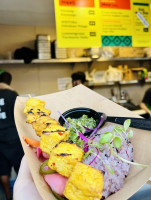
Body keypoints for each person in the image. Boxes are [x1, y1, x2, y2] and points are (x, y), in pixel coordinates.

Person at [0, 70, 24, 200]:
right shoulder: (12, 94)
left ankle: (8, 197)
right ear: (9, 81)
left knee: (3, 171)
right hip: (13, 137)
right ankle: (18, 196)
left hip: (0, 138)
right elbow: (19, 115)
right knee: (20, 169)